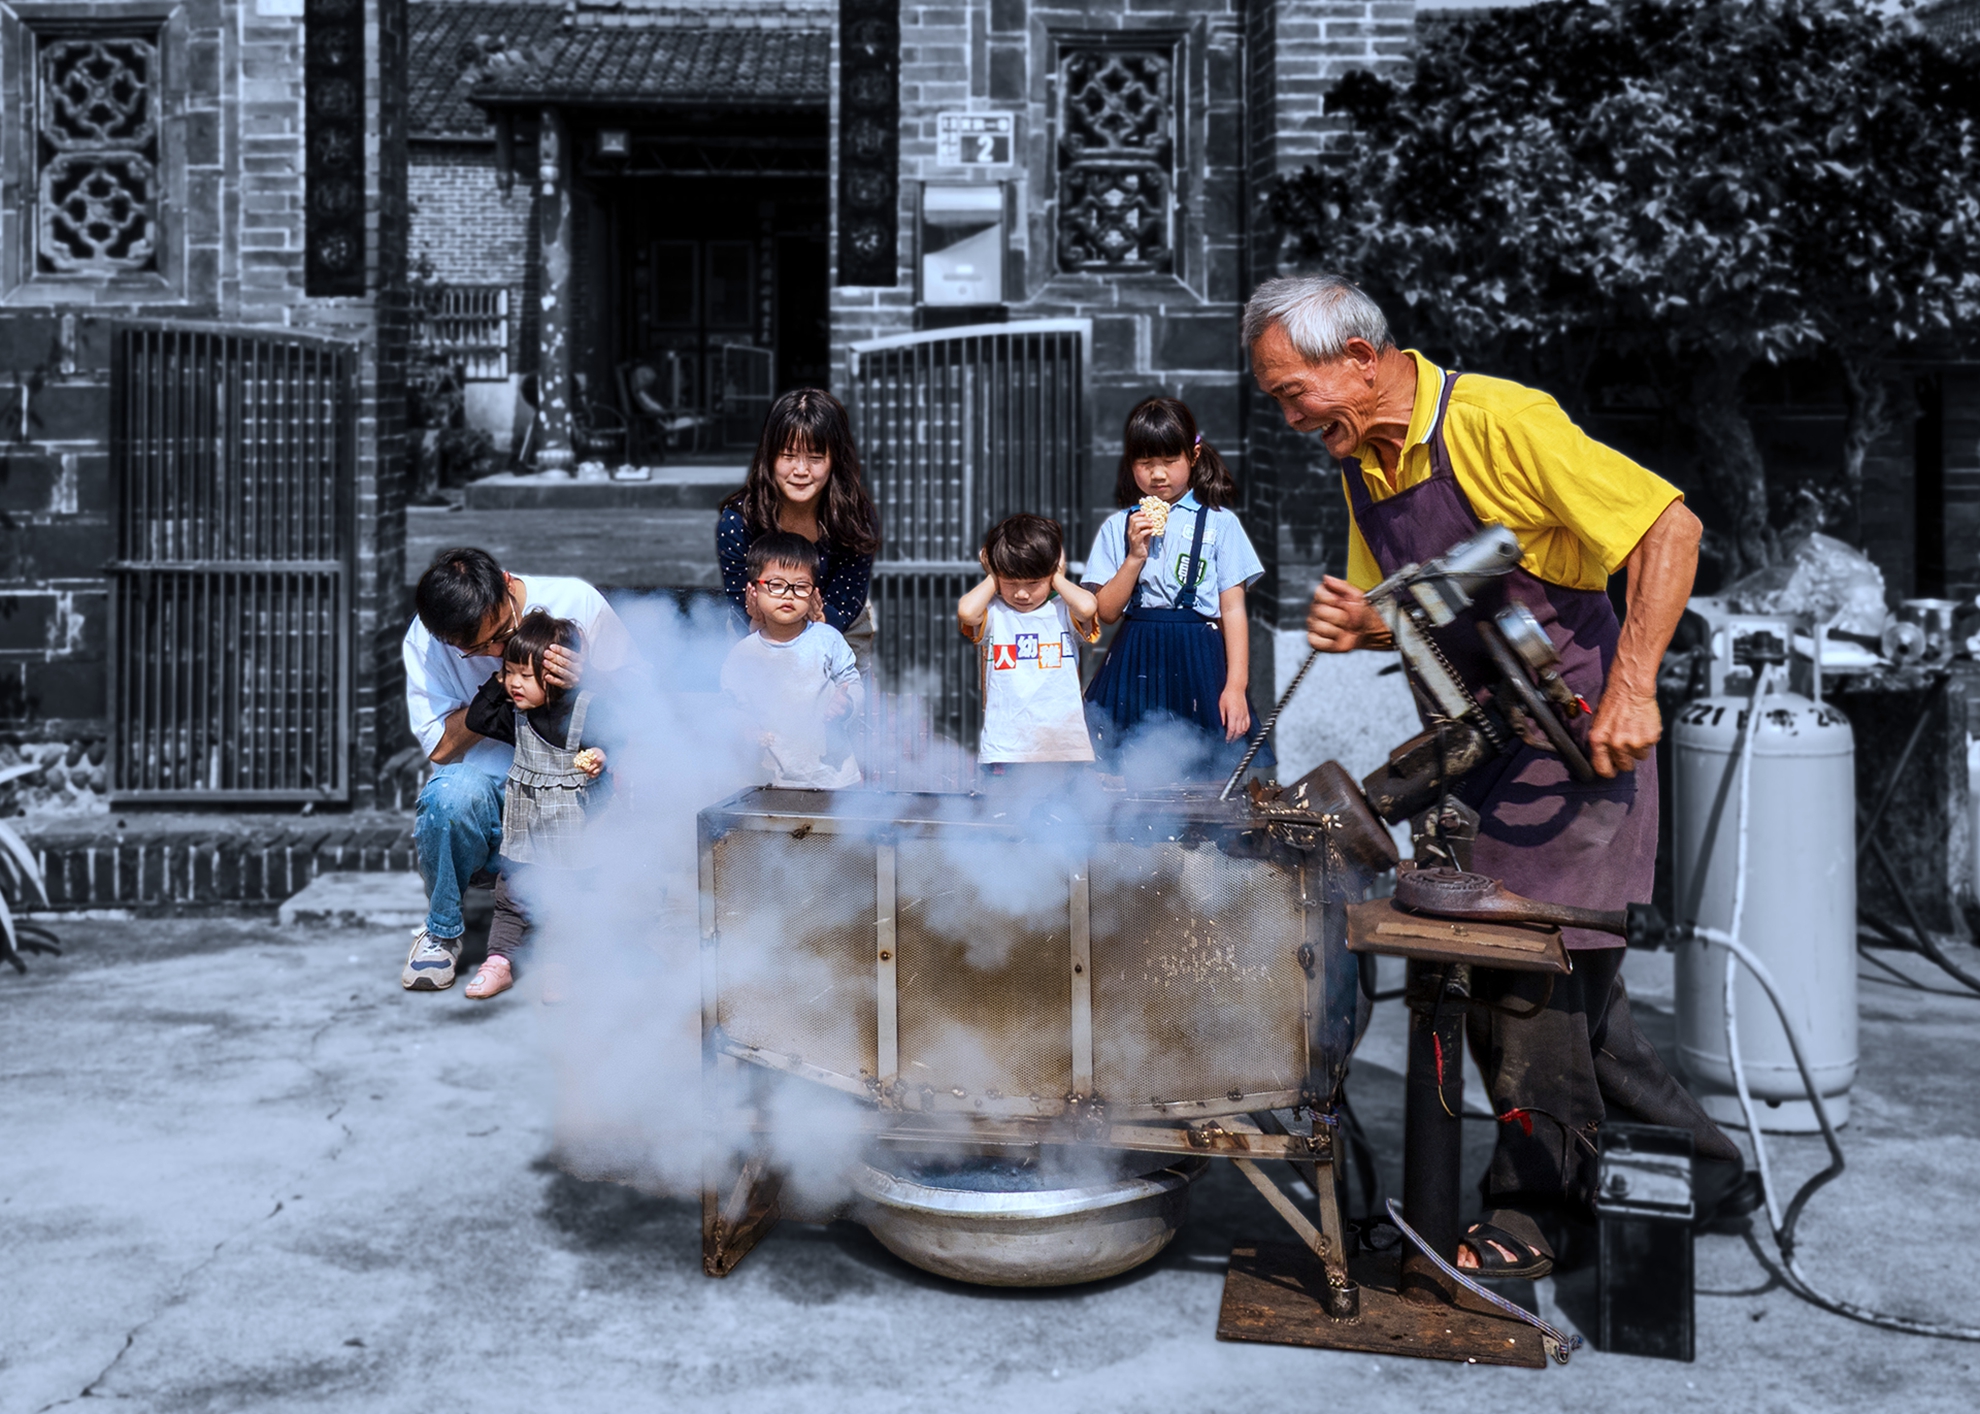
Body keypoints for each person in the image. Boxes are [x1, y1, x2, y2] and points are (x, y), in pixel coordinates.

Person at [1244, 272, 1743, 1276]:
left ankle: (1536, 1212)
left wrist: (1636, 688)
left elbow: (1668, 528)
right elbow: (1423, 596)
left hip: (1575, 738)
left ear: (1358, 359)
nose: (1290, 415)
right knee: (1580, 1010)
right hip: (1481, 742)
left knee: (1526, 989)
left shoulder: (1500, 420)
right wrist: (1364, 625)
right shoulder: (1362, 462)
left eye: (1292, 390)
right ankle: (1711, 1172)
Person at [401, 548, 634, 992]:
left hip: (575, 801)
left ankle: (586, 932)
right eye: (476, 651)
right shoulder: (428, 639)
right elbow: (441, 748)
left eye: (501, 635)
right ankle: (442, 931)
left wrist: (590, 680)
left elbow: (644, 697)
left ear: (508, 586)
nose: (495, 650)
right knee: (449, 793)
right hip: (498, 804)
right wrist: (501, 690)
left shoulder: (575, 602)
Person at [1080, 396, 1272, 782]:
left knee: (1205, 768)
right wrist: (1134, 557)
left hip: (1200, 655)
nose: (1157, 474)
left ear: (1194, 455)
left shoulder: (1221, 525)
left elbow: (1232, 609)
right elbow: (1106, 611)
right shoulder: (1119, 526)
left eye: (1169, 461)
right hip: (1138, 654)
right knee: (1127, 763)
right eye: (1145, 463)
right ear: (1130, 462)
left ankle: (1199, 842)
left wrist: (1236, 685)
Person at [456, 611, 612, 1000]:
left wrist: (598, 761)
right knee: (511, 901)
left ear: (556, 676)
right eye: (509, 673)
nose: (514, 684)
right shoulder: (515, 714)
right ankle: (499, 962)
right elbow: (476, 718)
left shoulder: (584, 710)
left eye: (526, 676)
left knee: (570, 903)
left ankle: (561, 965)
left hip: (571, 839)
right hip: (525, 833)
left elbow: (620, 742)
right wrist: (501, 677)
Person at [716, 388, 881, 671]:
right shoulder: (738, 523)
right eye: (788, 455)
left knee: (841, 705)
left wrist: (818, 629)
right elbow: (743, 604)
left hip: (835, 625)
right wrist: (771, 636)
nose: (801, 470)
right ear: (769, 457)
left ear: (835, 460)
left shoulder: (856, 518)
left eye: (815, 458)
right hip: (757, 627)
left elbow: (847, 597)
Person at [957, 514, 1101, 791]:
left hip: (1061, 746)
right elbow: (966, 611)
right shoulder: (995, 613)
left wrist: (1056, 576)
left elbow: (1087, 608)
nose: (1022, 594)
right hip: (1007, 747)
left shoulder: (1062, 609)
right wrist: (992, 576)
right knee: (1008, 819)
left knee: (1061, 820)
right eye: (1011, 583)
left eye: (1033, 583)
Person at [720, 532, 864, 789]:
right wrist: (745, 729)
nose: (788, 595)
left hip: (834, 779)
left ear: (813, 593)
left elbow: (851, 682)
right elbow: (733, 706)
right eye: (776, 584)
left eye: (800, 587)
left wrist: (847, 703)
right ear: (753, 590)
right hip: (771, 781)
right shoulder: (743, 653)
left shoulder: (826, 639)